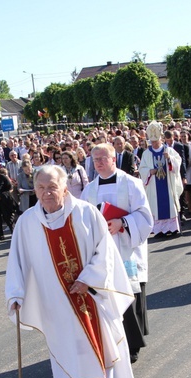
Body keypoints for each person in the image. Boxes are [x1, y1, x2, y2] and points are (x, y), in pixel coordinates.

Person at [5, 165, 137, 378]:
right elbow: (16, 262)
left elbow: (106, 251)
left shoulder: (86, 213)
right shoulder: (27, 223)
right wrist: (15, 294)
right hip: (57, 305)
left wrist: (89, 278)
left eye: (52, 187)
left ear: (65, 187)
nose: (46, 193)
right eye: (40, 187)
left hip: (91, 297)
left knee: (101, 347)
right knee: (69, 355)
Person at [81, 144, 153, 363]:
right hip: (102, 250)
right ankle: (112, 340)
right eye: (95, 159)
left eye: (103, 158)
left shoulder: (131, 183)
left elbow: (145, 216)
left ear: (114, 159)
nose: (99, 162)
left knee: (129, 293)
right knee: (107, 295)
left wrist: (122, 223)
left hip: (126, 247)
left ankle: (132, 345)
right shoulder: (89, 190)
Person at [138, 122, 182, 237]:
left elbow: (178, 162)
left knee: (169, 205)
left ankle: (172, 229)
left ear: (161, 139)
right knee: (155, 207)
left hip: (168, 184)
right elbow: (142, 168)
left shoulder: (169, 150)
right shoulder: (147, 153)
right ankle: (159, 230)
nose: (154, 144)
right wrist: (149, 171)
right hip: (154, 184)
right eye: (152, 142)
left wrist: (169, 159)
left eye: (156, 141)